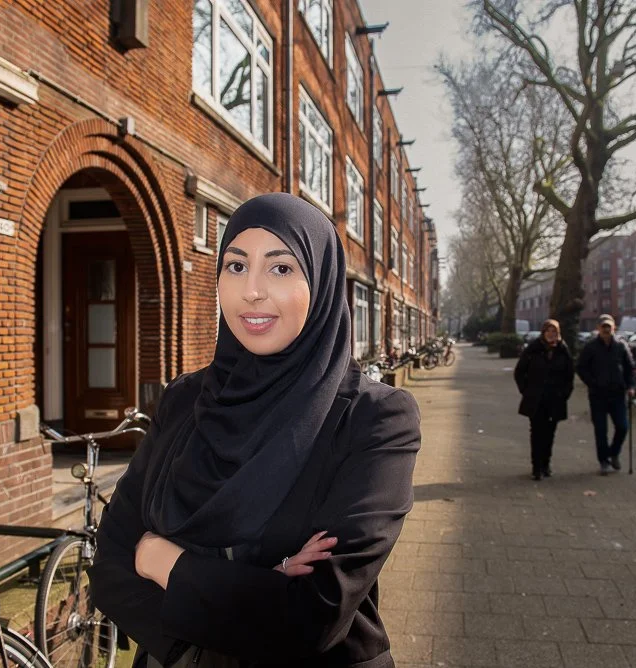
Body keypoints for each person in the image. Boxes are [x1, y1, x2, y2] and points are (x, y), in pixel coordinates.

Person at [87, 193, 421, 667]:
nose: (252, 291)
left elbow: (314, 616)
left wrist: (166, 563)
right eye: (236, 265)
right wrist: (264, 584)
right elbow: (110, 568)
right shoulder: (185, 400)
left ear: (322, 284)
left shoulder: (375, 419)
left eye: (281, 268)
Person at [513, 319, 574, 480]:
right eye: (548, 331)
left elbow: (569, 375)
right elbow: (519, 372)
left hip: (555, 399)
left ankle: (546, 463)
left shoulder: (563, 350)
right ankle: (536, 467)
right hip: (536, 399)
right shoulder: (533, 349)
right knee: (536, 432)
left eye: (554, 332)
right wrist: (526, 391)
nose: (551, 335)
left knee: (550, 433)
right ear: (543, 333)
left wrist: (564, 394)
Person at [576, 314, 635, 475]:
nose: (606, 330)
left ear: (613, 328)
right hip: (598, 395)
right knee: (601, 430)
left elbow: (630, 368)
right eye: (603, 327)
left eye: (609, 327)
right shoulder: (591, 347)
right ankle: (604, 461)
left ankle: (614, 453)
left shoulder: (621, 346)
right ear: (598, 328)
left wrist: (630, 386)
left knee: (622, 427)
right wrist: (592, 382)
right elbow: (581, 367)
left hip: (617, 394)